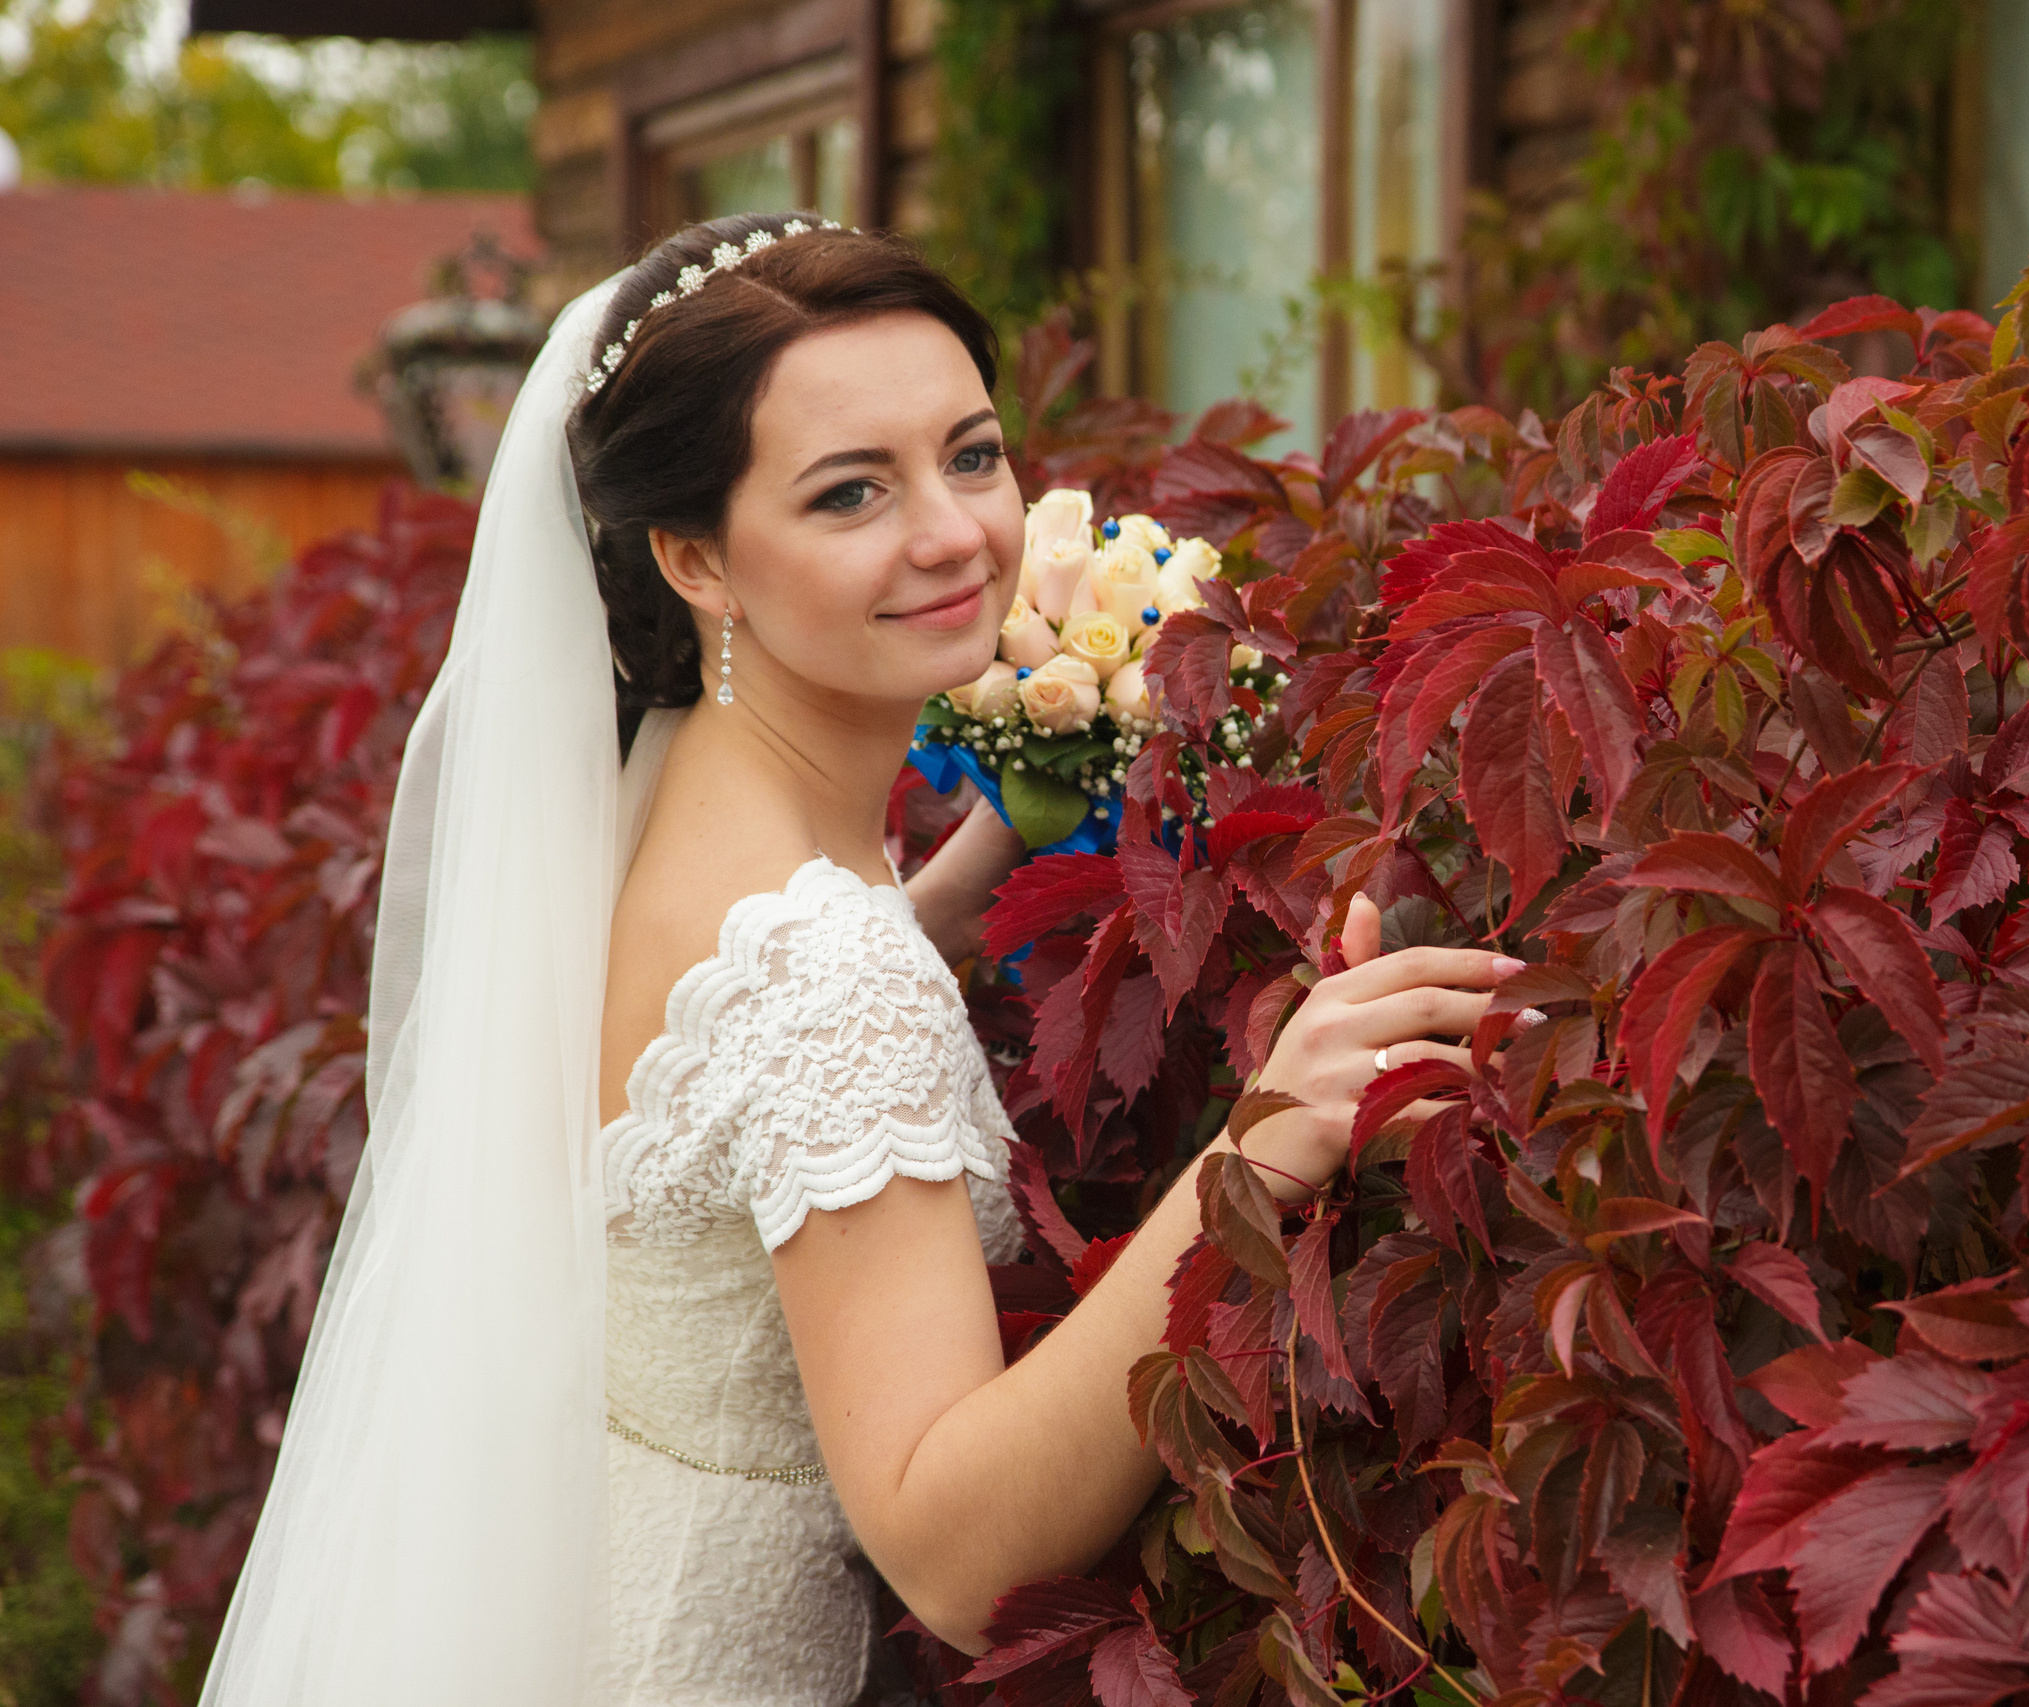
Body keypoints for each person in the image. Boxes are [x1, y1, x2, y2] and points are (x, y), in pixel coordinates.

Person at [200, 213, 1518, 1706]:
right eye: (850, 493)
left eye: (971, 455)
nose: (954, 535)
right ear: (694, 558)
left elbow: (730, 1041)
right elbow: (956, 1554)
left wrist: (985, 861)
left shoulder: (650, 796)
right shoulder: (823, 973)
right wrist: (1264, 1142)